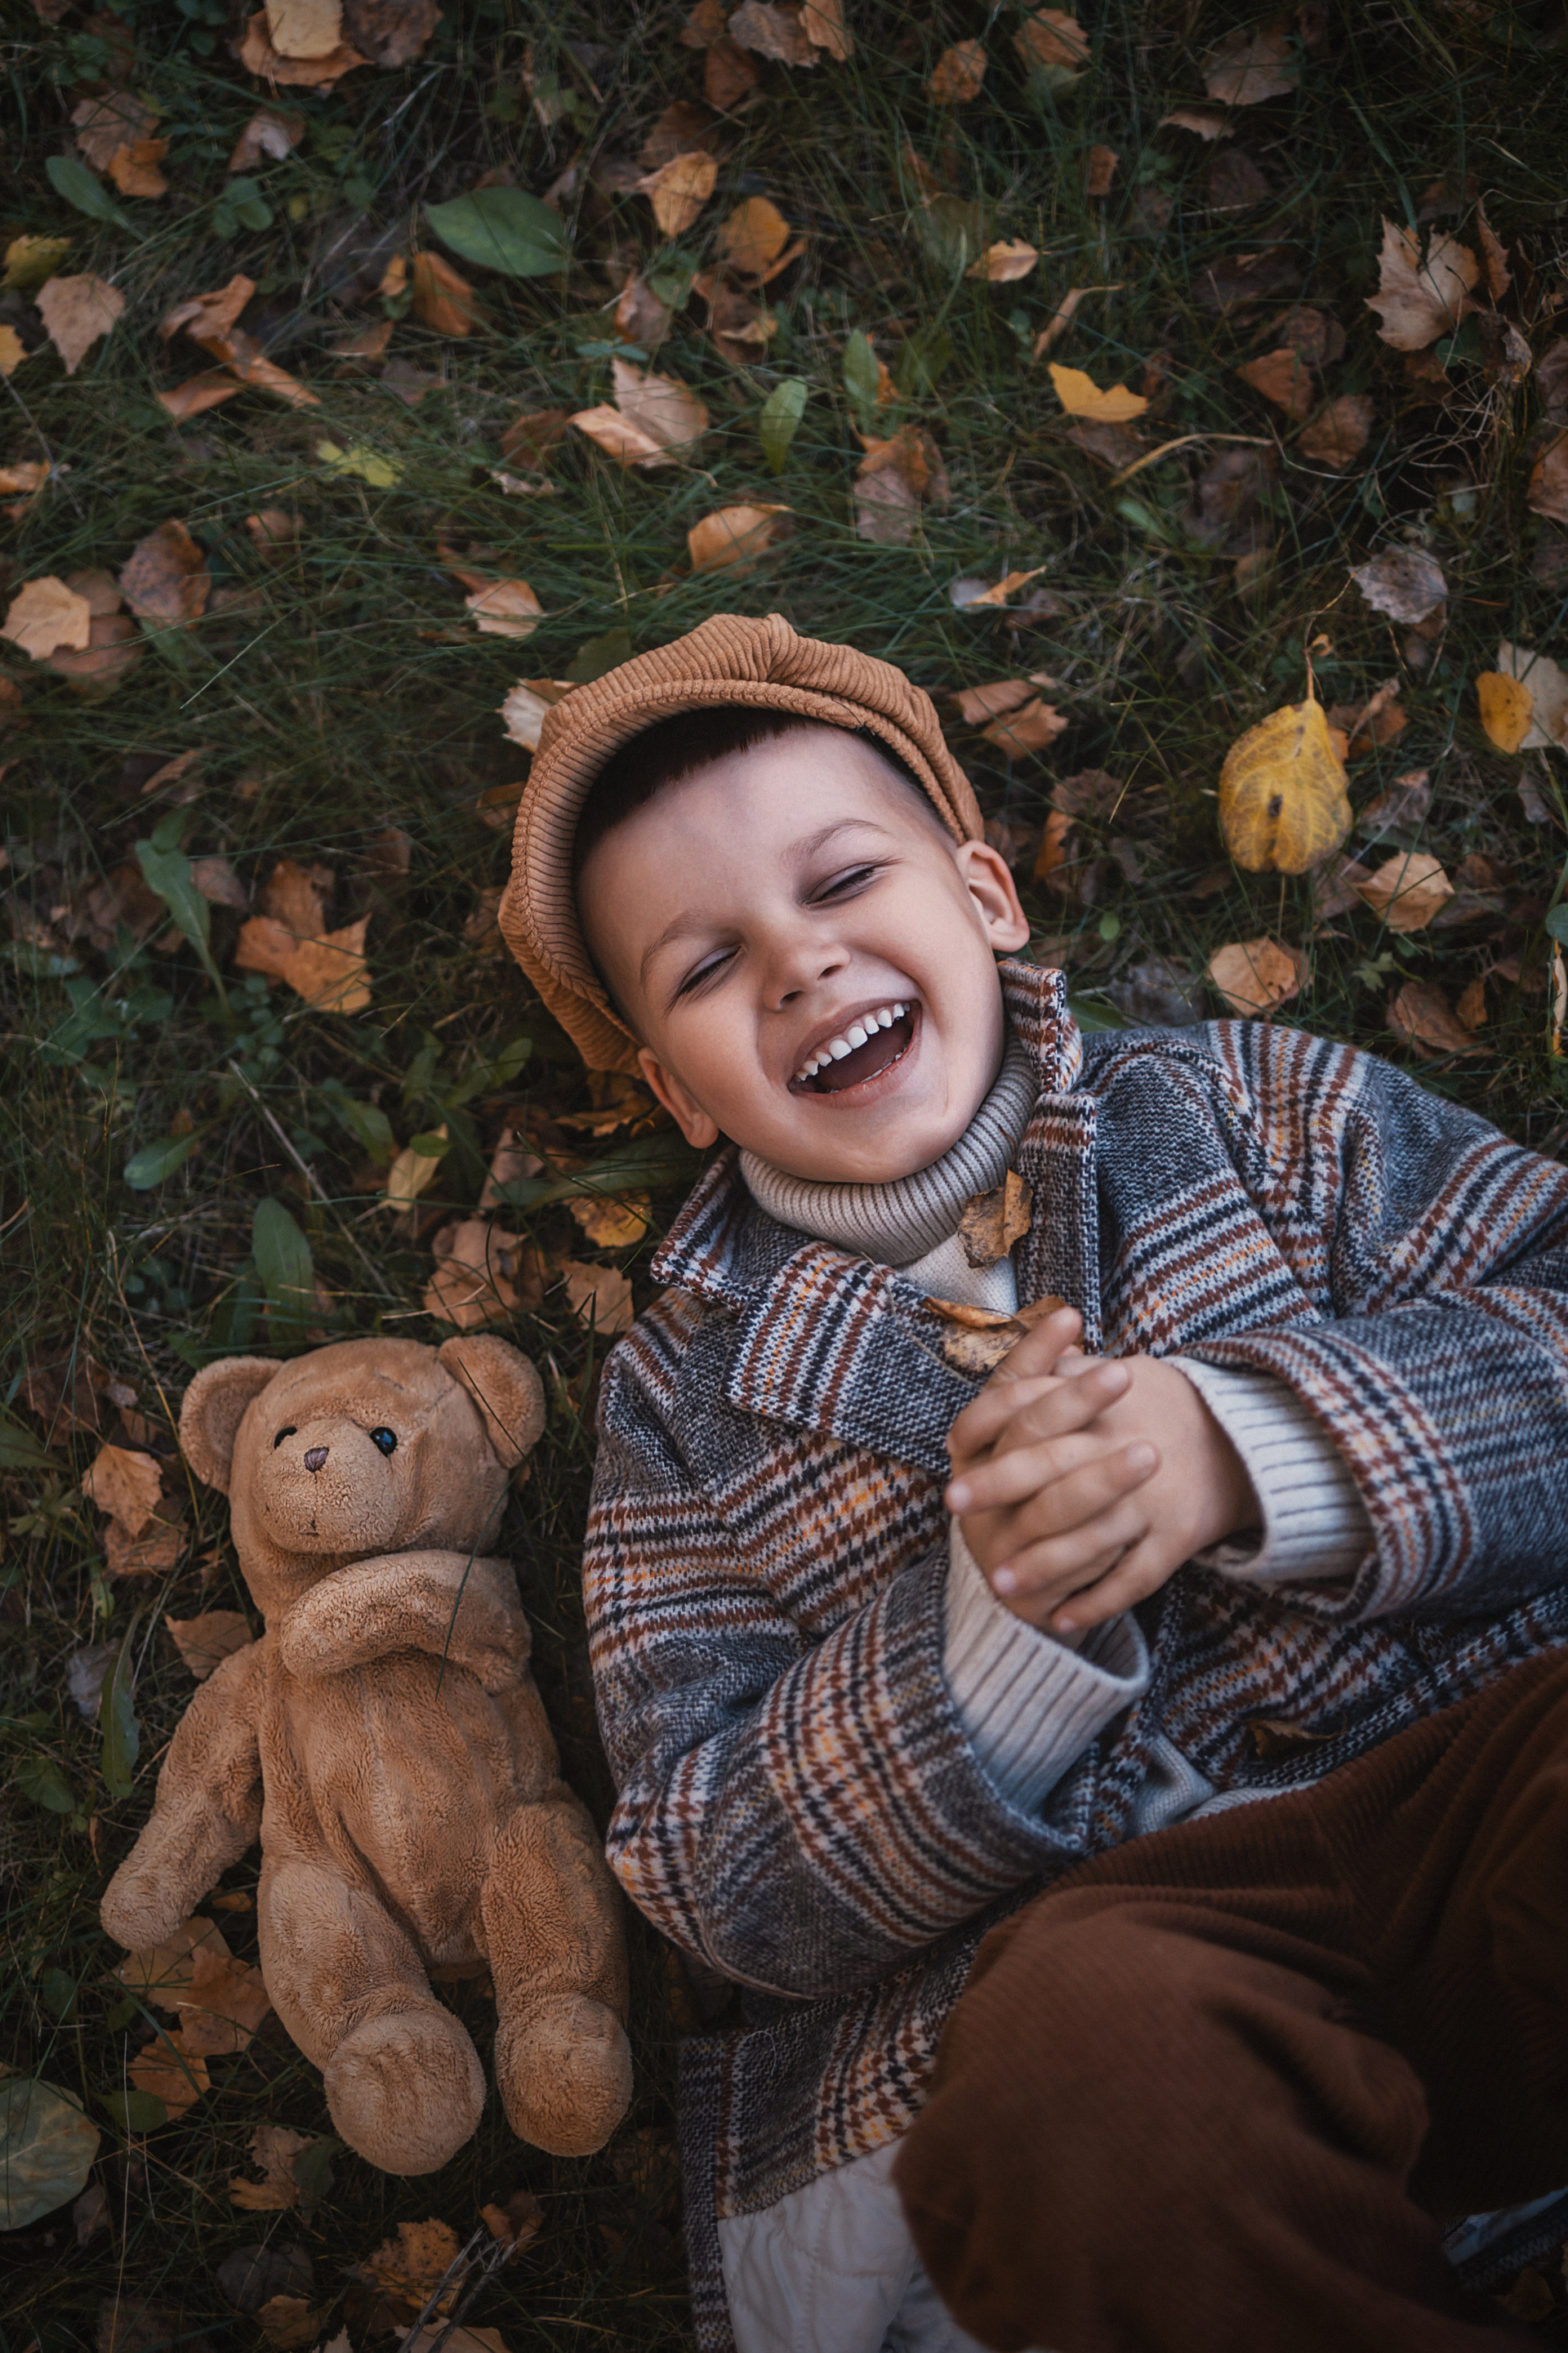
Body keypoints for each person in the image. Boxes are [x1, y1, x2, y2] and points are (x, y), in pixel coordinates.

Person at [497, 613, 1568, 2353]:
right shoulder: (681, 1412)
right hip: (1136, 1978)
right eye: (706, 967)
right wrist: (985, 1641)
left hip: (1473, 1783)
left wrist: (1247, 1443)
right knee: (1080, 2050)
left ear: (986, 895)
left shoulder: (1248, 1108)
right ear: (677, 1094)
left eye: (846, 880)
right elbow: (712, 1874)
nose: (801, 962)